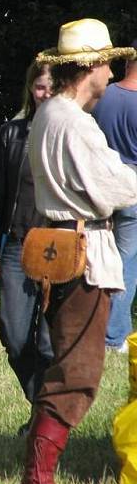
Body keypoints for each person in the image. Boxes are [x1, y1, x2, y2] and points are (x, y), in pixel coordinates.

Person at [20, 18, 137, 484]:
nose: (111, 74)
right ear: (87, 67)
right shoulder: (73, 122)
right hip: (84, 254)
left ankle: (34, 467)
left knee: (65, 362)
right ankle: (38, 478)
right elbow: (115, 190)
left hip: (63, 247)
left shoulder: (49, 115)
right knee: (79, 370)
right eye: (106, 63)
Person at [0, 61, 55, 434]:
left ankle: (45, 424)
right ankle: (43, 408)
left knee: (51, 346)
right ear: (30, 90)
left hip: (59, 250)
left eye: (52, 88)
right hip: (17, 249)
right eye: (40, 87)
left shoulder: (76, 135)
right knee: (17, 339)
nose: (46, 94)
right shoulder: (12, 134)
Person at [93, 39, 137, 353]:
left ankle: (86, 325)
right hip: (133, 193)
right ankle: (113, 335)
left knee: (93, 258)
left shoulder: (102, 96)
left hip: (98, 186)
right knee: (127, 263)